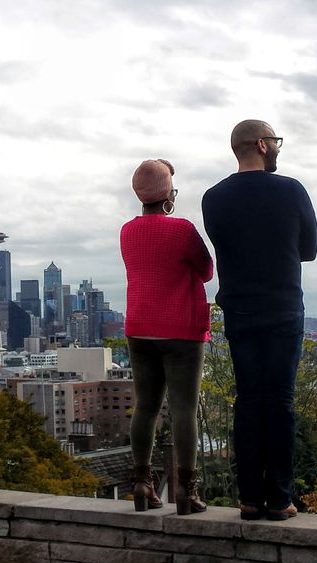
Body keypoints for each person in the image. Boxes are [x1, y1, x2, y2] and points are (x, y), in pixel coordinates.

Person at [201, 120, 317, 521]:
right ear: (262, 145)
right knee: (280, 401)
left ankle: (249, 498)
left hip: (239, 310)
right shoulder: (291, 190)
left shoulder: (213, 198)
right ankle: (280, 498)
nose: (278, 148)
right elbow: (310, 250)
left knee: (248, 400)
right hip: (283, 308)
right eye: (276, 141)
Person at [120, 159, 214, 515]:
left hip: (139, 327)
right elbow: (205, 270)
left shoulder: (127, 231)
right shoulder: (182, 230)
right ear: (168, 194)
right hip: (180, 329)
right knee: (183, 409)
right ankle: (186, 492)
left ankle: (143, 483)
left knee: (145, 406)